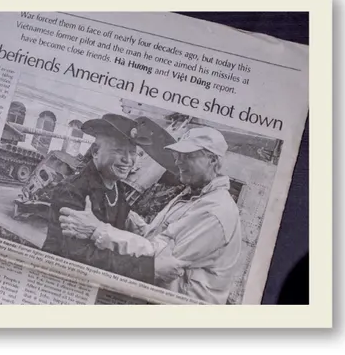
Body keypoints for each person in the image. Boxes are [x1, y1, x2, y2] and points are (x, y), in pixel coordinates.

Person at [59, 126, 244, 304]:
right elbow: (158, 235)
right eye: (178, 155)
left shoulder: (215, 212)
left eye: (187, 156)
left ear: (212, 160)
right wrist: (124, 213)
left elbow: (160, 256)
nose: (178, 161)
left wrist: (98, 230)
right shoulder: (193, 195)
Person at [40, 114, 154, 282]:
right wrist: (145, 268)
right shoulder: (72, 190)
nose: (128, 160)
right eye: (119, 151)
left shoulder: (117, 186)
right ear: (95, 152)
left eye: (132, 153)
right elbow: (80, 256)